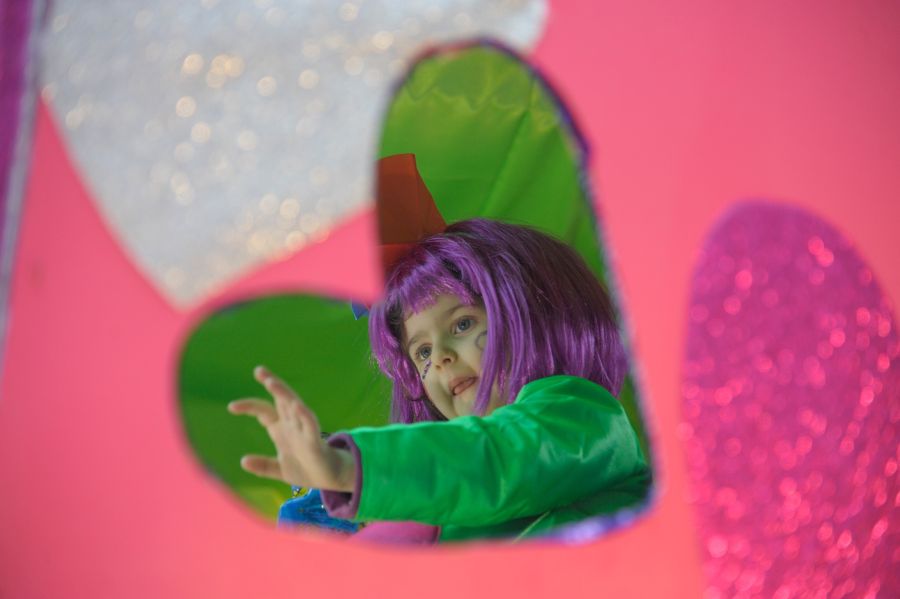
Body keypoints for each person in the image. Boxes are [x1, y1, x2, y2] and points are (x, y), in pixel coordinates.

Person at [228, 156, 650, 543]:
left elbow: (494, 461)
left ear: (535, 315)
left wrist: (351, 469)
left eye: (462, 324)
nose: (442, 358)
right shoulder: (448, 509)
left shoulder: (581, 418)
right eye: (422, 353)